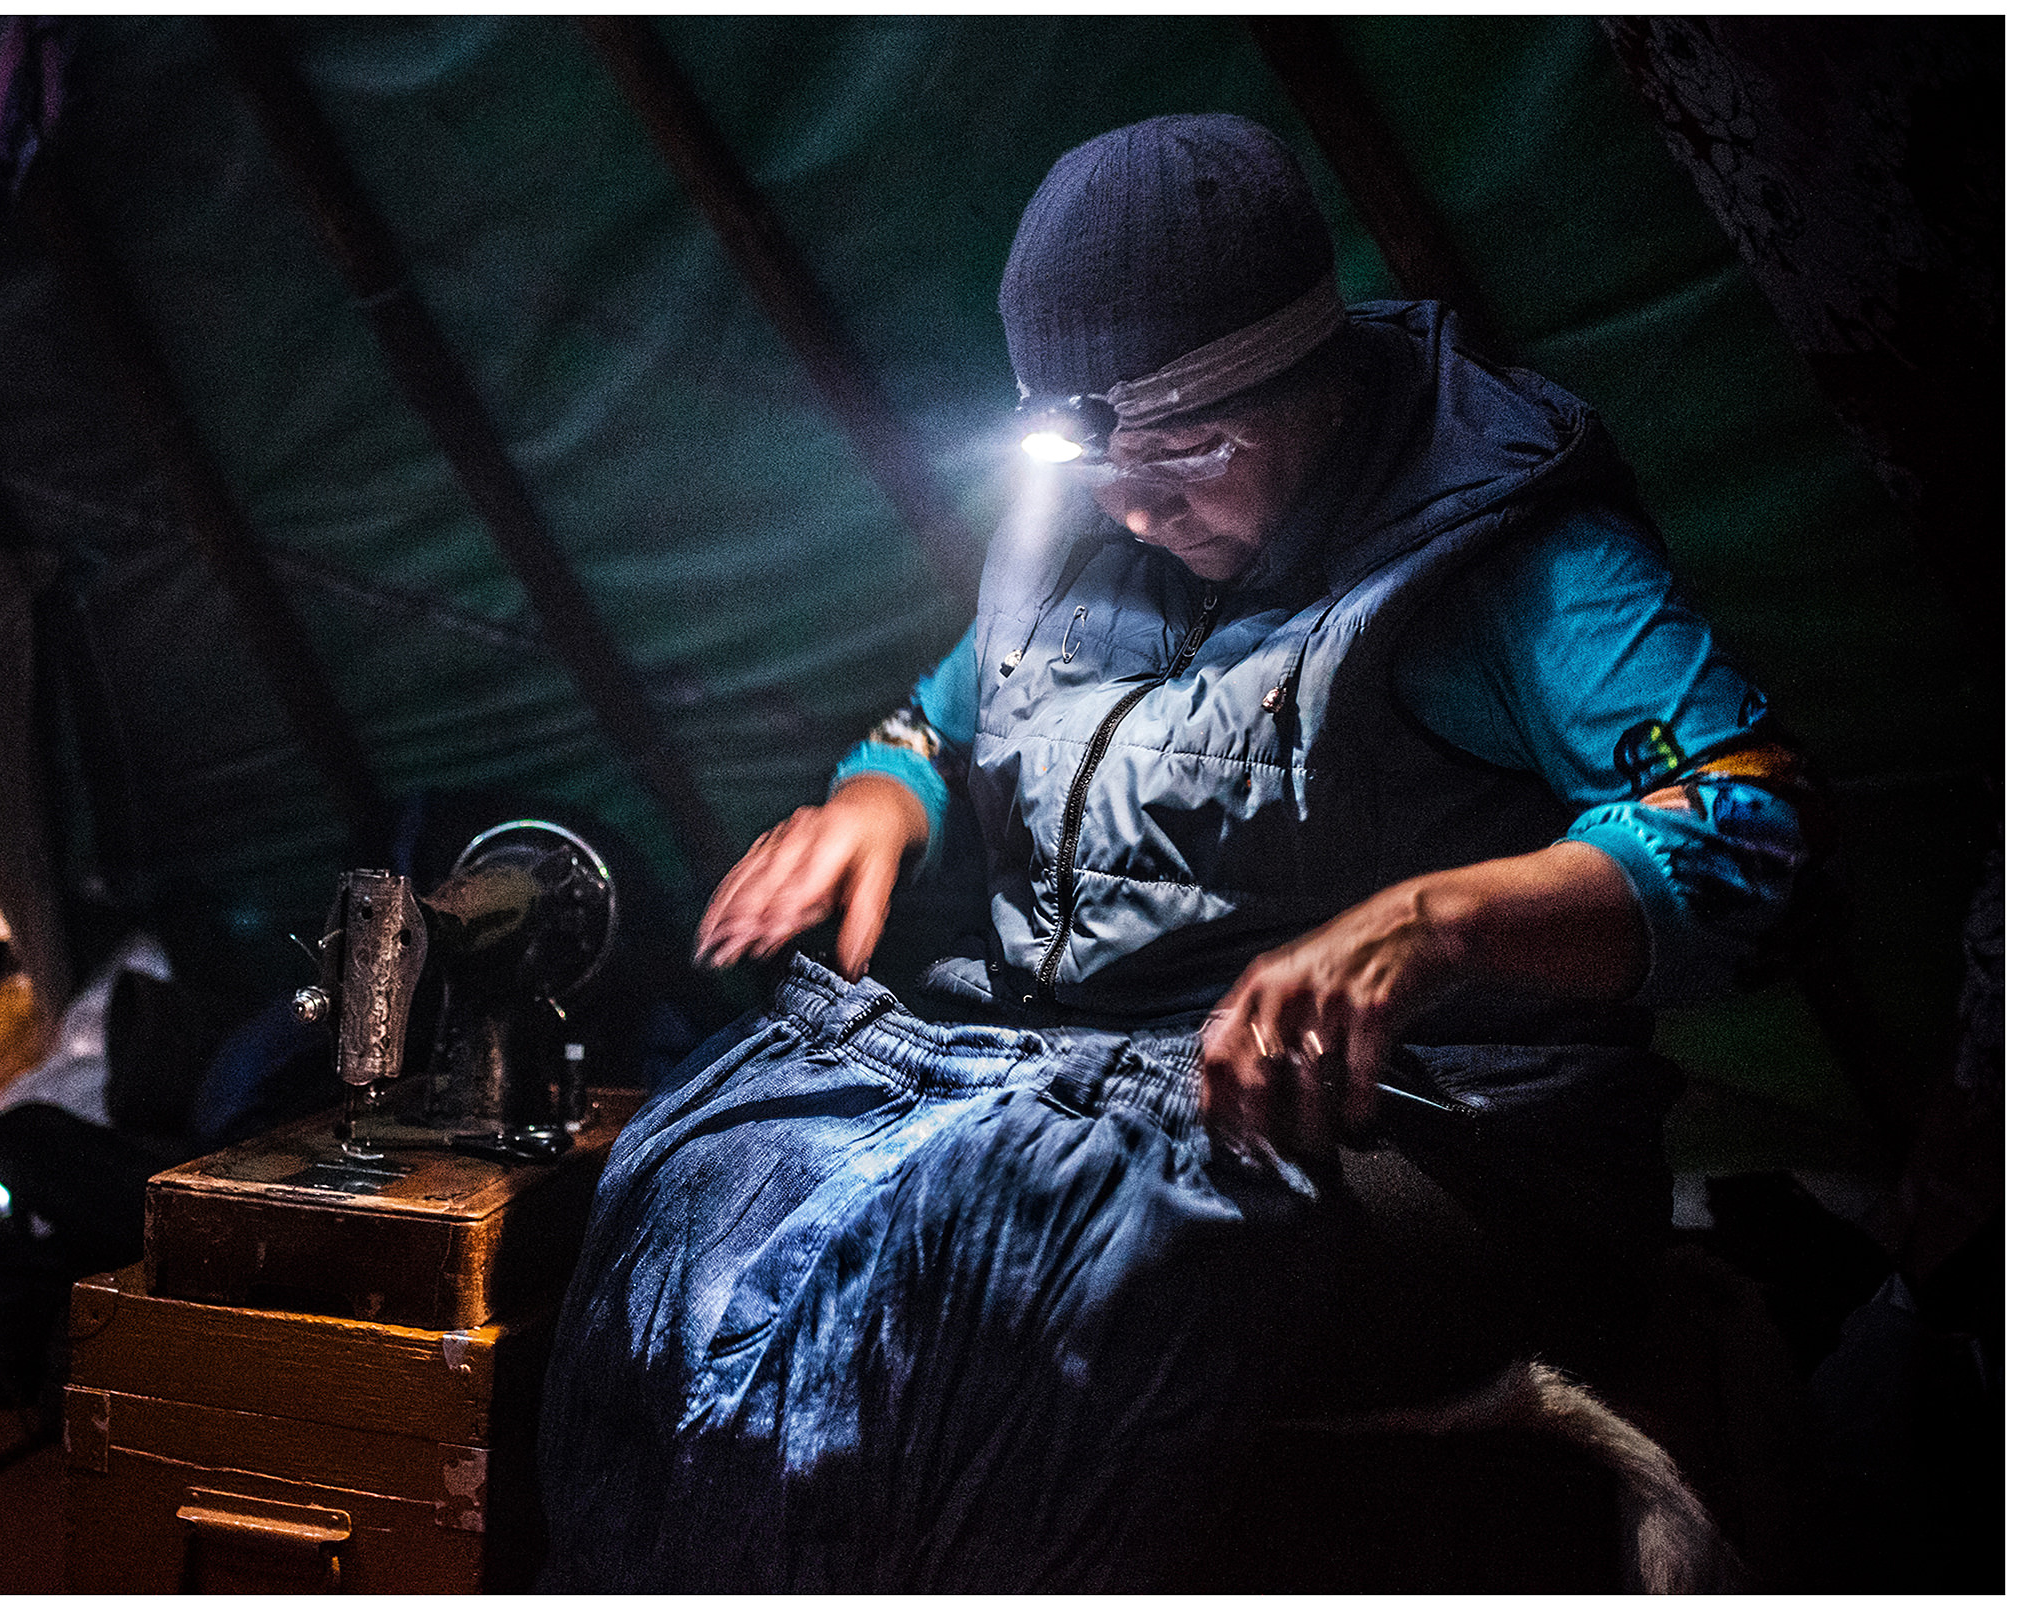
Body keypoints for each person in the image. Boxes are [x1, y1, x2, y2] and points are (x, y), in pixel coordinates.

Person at [536, 113, 1824, 1592]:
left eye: (1186, 448)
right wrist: (878, 798)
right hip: (1070, 1084)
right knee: (696, 1177)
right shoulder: (1087, 525)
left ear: (1320, 379)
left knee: (1030, 1253)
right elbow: (950, 715)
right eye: (1090, 456)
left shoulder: (1499, 550)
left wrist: (1437, 921)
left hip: (1436, 1134)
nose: (1135, 503)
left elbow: (1750, 823)